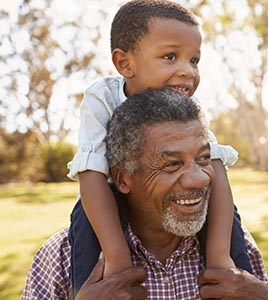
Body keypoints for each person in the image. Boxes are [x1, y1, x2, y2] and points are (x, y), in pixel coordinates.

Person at [22, 88, 268, 300]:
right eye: (172, 164)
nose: (199, 178)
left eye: (204, 159)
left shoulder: (234, 246)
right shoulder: (62, 258)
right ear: (123, 178)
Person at [66, 0, 252, 297]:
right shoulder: (102, 97)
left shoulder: (191, 108)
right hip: (108, 197)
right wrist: (117, 259)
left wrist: (220, 256)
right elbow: (91, 174)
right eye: (170, 56)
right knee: (83, 224)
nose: (187, 72)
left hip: (171, 203)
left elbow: (215, 166)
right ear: (125, 63)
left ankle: (239, 286)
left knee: (229, 220)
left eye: (194, 61)